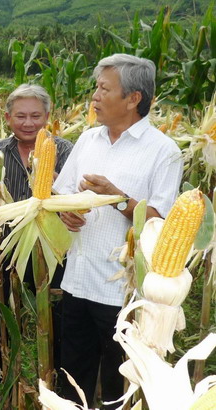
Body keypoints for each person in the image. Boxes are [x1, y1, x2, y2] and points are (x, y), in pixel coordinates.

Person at [53, 54, 183, 408]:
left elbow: (161, 223)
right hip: (77, 280)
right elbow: (62, 193)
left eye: (103, 89)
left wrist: (117, 197)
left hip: (122, 294)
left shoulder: (164, 152)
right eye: (96, 88)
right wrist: (69, 213)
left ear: (132, 98)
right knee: (72, 380)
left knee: (118, 386)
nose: (94, 97)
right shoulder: (88, 139)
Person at [0, 83, 74, 373]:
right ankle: (6, 368)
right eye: (20, 116)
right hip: (9, 242)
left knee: (54, 312)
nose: (28, 123)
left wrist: (52, 179)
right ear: (8, 118)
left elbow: (74, 199)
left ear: (47, 117)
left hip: (52, 244)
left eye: (35, 116)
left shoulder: (66, 150)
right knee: (6, 307)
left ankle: (55, 372)